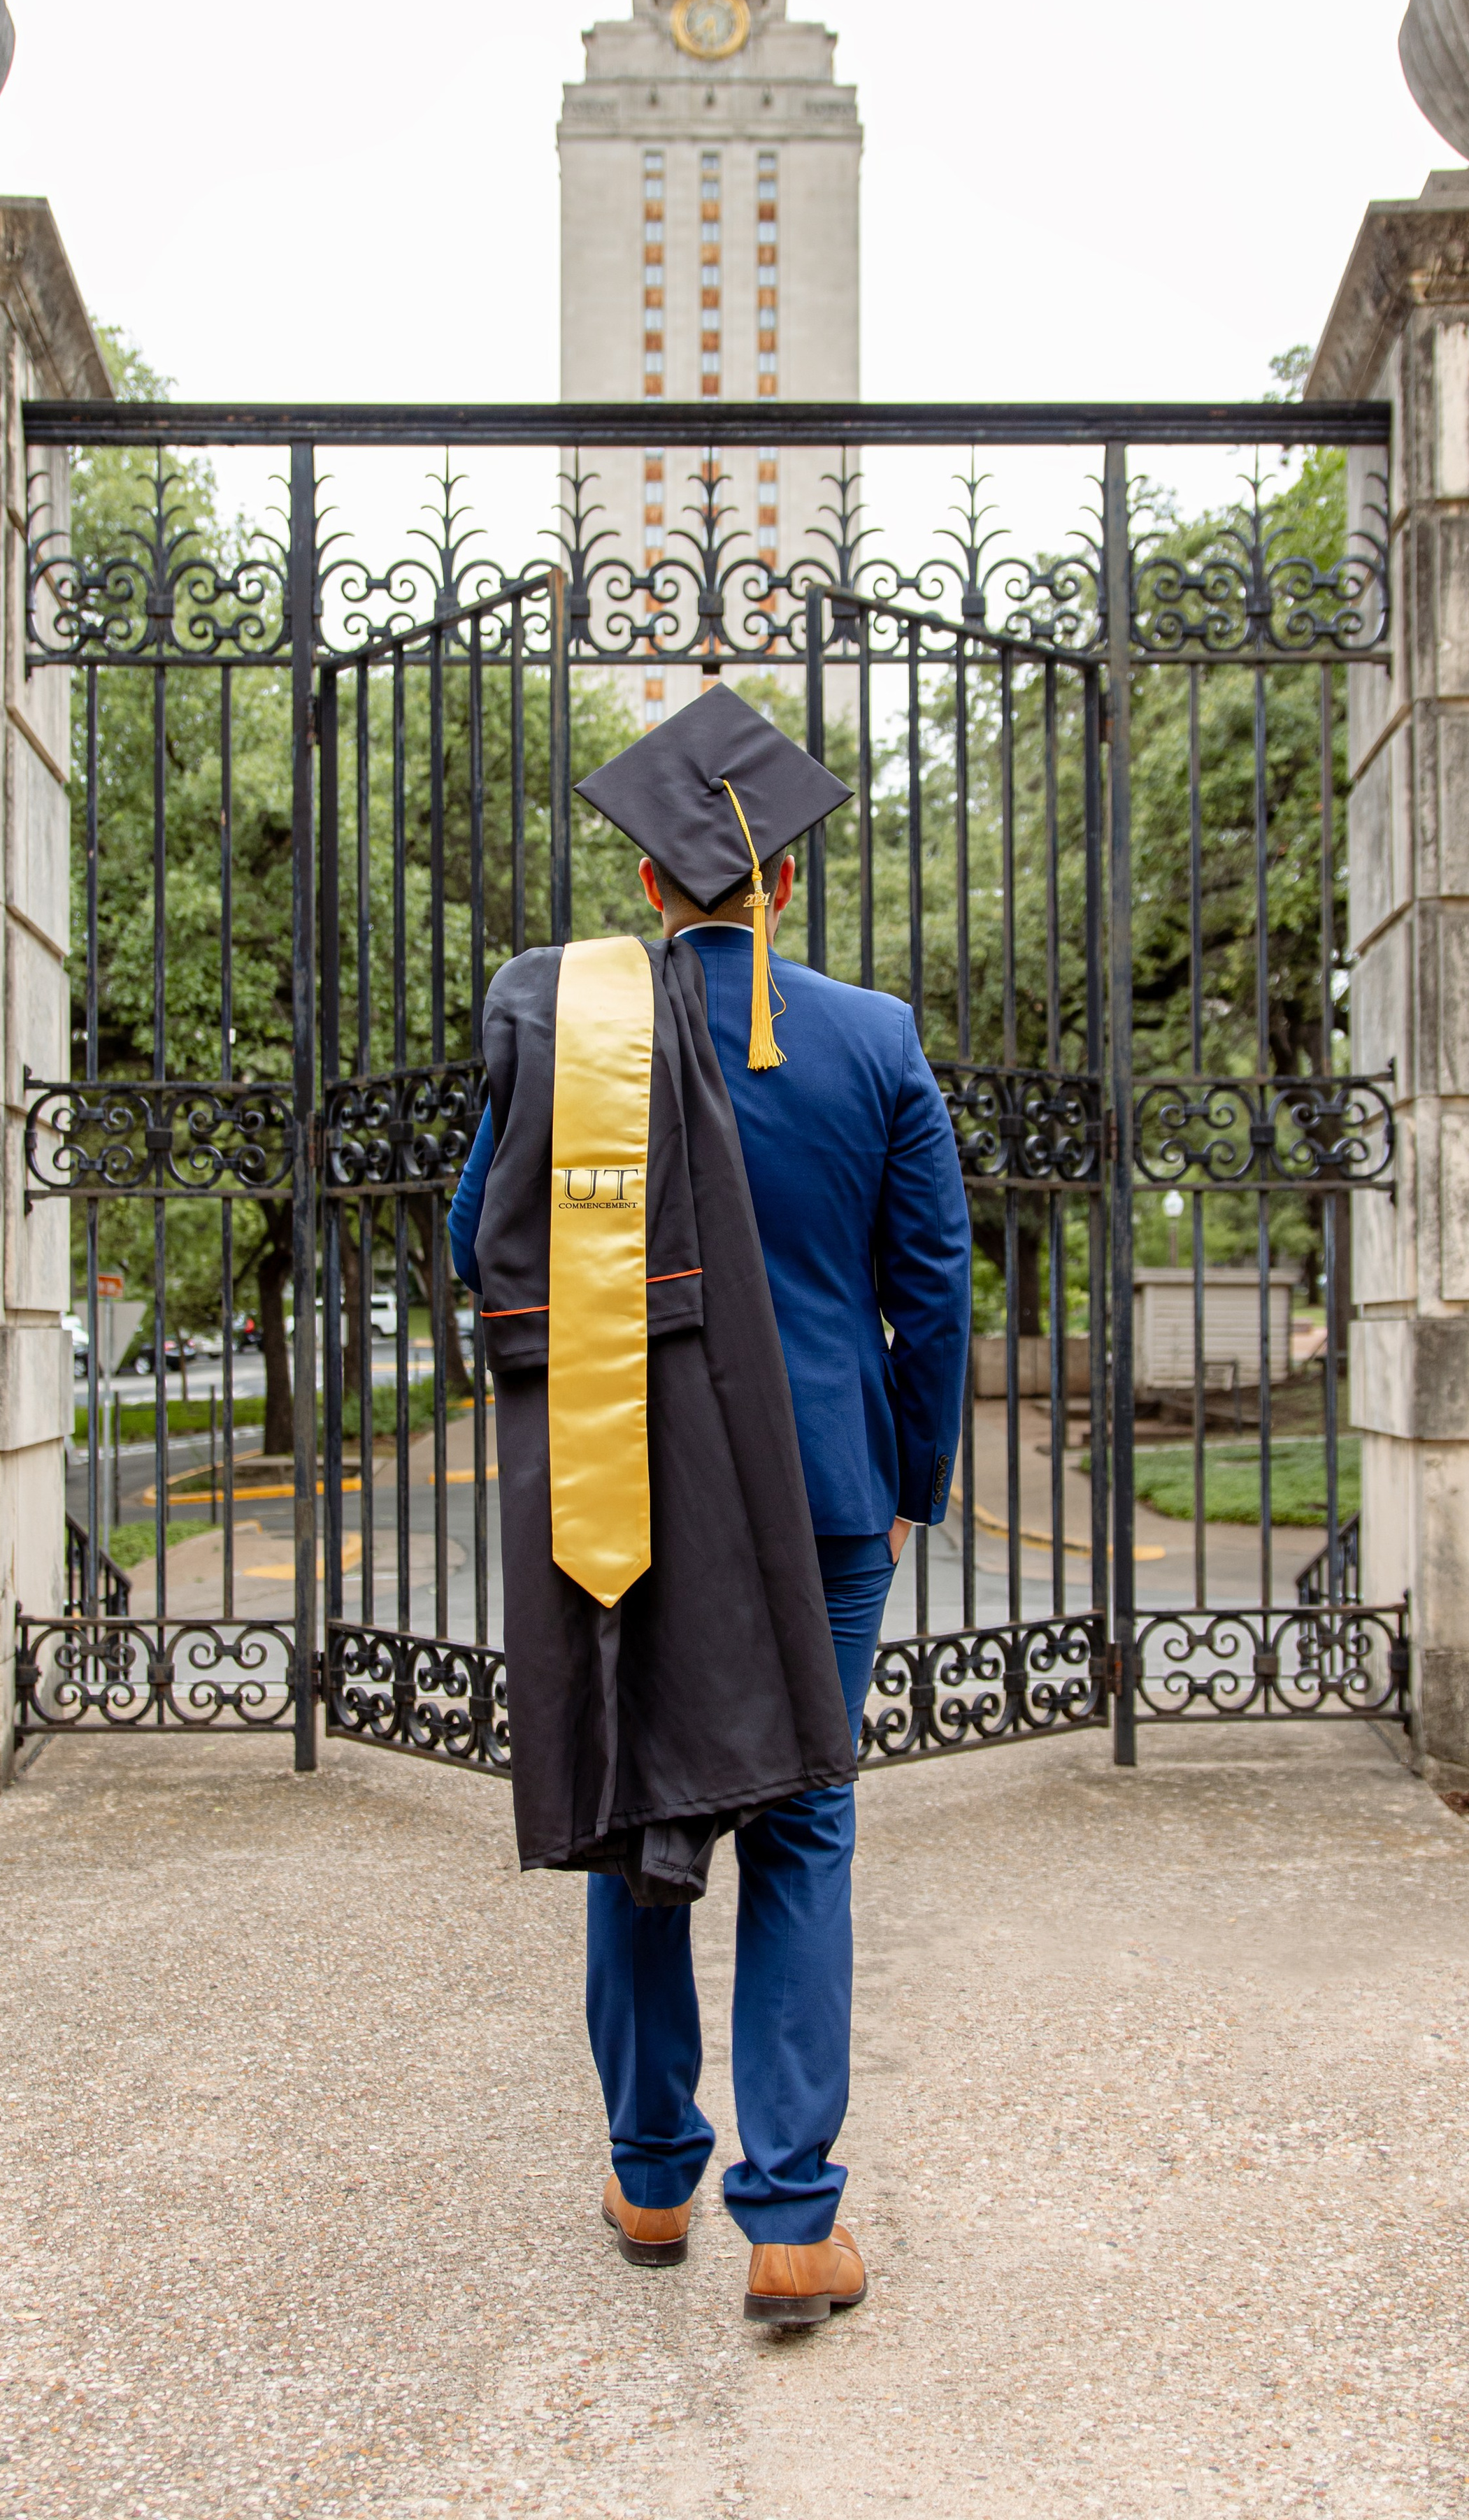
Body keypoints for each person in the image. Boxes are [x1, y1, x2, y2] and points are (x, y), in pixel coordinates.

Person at [448, 684, 972, 2326]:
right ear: (785, 885)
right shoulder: (873, 1038)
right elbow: (932, 1288)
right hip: (822, 1494)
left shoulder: (573, 1020)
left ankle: (652, 2173)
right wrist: (911, 1479)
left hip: (629, 1476)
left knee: (639, 1802)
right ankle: (795, 2219)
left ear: (653, 888)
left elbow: (482, 1236)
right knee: (805, 1820)